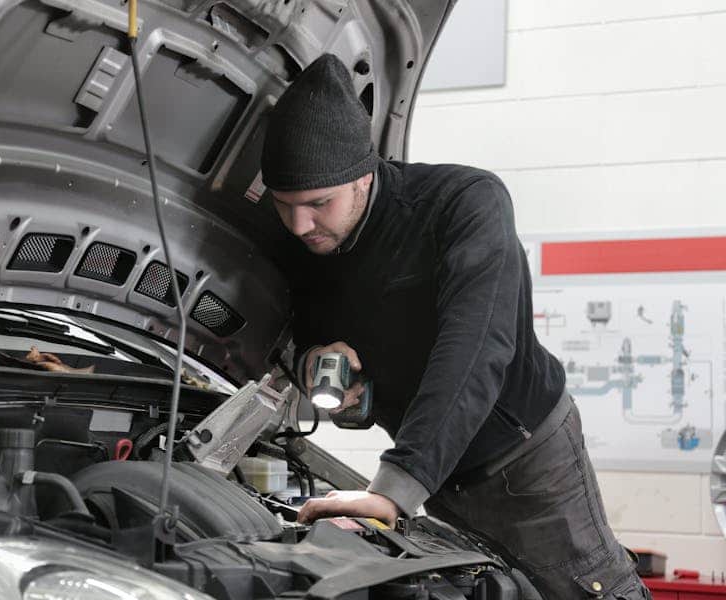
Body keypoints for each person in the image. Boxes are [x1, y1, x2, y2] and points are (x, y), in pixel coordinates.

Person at [261, 53, 650, 600]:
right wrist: (313, 366)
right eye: (284, 206)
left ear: (363, 175)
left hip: (527, 463)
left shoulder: (462, 205)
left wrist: (394, 489)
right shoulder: (304, 241)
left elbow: (476, 348)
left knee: (587, 592)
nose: (300, 224)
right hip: (437, 475)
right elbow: (296, 328)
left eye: (317, 204)